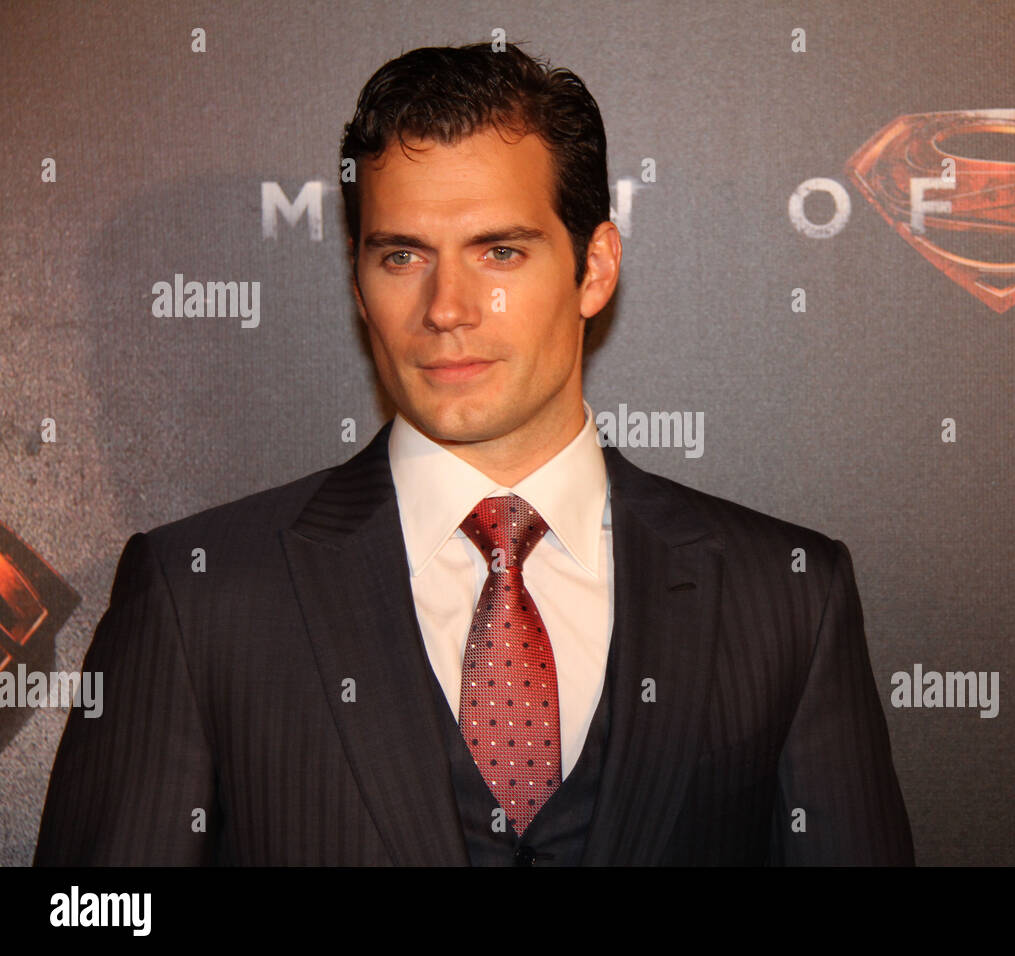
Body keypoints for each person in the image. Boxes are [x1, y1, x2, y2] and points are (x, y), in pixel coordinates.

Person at [34, 43, 912, 865]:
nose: (446, 305)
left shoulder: (788, 594)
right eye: (403, 254)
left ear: (595, 268)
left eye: (499, 250)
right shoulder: (199, 595)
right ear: (358, 283)